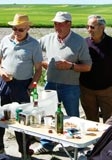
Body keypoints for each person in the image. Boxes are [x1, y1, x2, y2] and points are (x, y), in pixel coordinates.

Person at [34, 11, 92, 155]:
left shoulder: (79, 42)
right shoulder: (48, 39)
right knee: (48, 115)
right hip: (51, 85)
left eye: (60, 24)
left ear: (69, 24)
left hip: (70, 86)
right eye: (55, 24)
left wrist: (70, 66)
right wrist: (42, 62)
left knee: (73, 117)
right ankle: (47, 144)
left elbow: (87, 66)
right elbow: (33, 48)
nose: (57, 27)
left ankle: (75, 146)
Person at [0, 14, 43, 159]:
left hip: (22, 85)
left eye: (20, 30)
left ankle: (24, 151)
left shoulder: (34, 44)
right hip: (4, 83)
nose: (17, 32)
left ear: (28, 28)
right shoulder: (6, 40)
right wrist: (1, 72)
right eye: (14, 29)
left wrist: (31, 87)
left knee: (22, 121)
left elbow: (38, 69)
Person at [79, 15, 112, 123]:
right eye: (87, 27)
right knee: (90, 120)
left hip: (107, 90)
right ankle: (94, 140)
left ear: (102, 28)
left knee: (110, 121)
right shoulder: (84, 43)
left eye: (92, 27)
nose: (89, 30)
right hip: (87, 90)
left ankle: (108, 139)